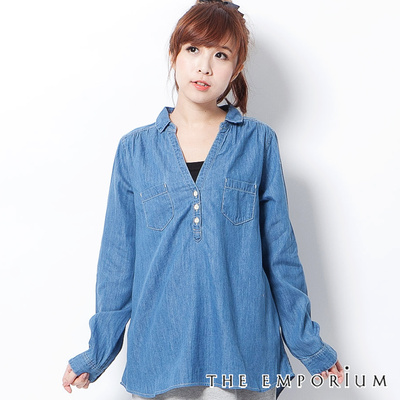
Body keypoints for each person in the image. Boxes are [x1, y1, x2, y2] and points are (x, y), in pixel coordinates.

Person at [62, 1, 344, 399]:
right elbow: (117, 264)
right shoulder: (134, 150)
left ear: (237, 67)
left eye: (221, 55)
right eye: (193, 49)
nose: (204, 67)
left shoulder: (258, 143)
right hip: (162, 351)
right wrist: (96, 354)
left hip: (247, 350)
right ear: (174, 54)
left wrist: (309, 346)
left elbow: (281, 254)